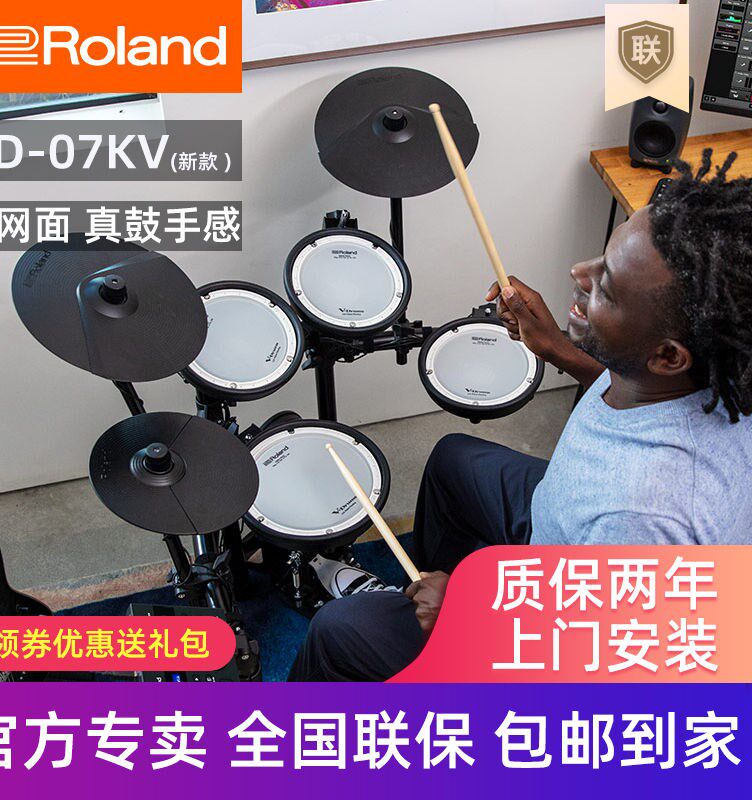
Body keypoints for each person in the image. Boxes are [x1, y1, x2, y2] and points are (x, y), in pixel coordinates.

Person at [288, 149, 752, 682]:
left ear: (668, 356)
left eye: (606, 287)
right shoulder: (710, 378)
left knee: (340, 630)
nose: (579, 273)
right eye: (601, 259)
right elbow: (629, 387)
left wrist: (466, 615)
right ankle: (418, 594)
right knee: (453, 462)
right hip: (564, 525)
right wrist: (554, 346)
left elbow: (601, 670)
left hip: (571, 635)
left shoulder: (641, 519)